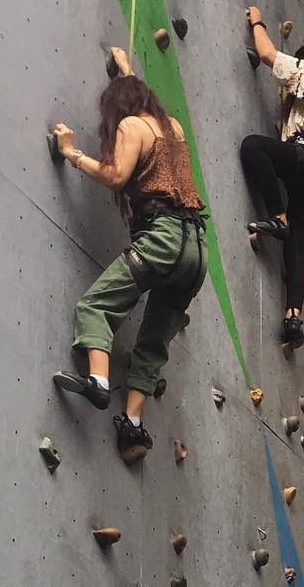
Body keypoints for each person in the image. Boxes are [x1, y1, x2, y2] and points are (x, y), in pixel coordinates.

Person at [50, 46, 208, 463]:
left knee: (96, 306)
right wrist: (125, 71)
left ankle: (98, 381)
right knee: (153, 343)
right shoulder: (170, 126)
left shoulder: (131, 126)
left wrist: (72, 153)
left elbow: (117, 175)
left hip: (160, 241)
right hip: (195, 251)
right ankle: (132, 425)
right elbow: (140, 101)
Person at [240, 9, 304, 349]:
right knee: (296, 250)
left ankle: (277, 215)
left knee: (253, 147)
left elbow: (268, 54)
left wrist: (256, 20)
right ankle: (292, 318)